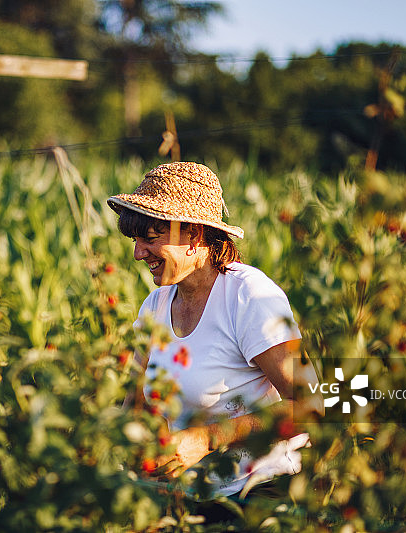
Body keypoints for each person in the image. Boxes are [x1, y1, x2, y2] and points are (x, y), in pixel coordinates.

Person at [107, 161, 321, 501]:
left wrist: (207, 438)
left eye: (150, 238)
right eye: (135, 240)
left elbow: (315, 404)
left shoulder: (248, 297)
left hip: (258, 489)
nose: (137, 253)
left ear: (193, 234)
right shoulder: (155, 306)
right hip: (187, 494)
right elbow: (134, 404)